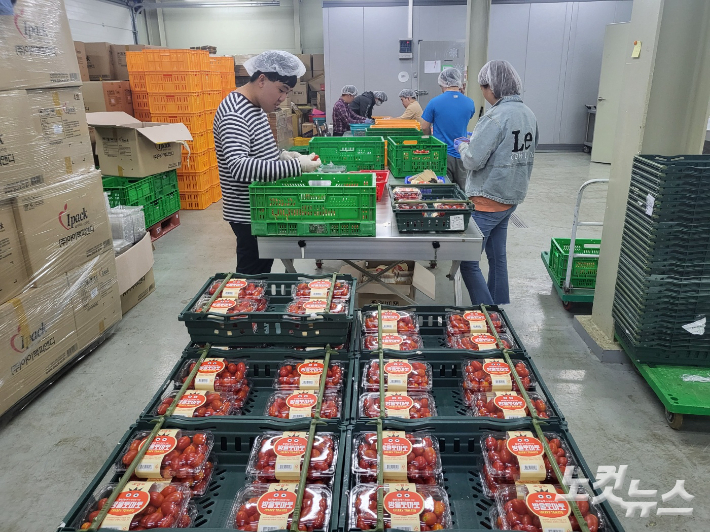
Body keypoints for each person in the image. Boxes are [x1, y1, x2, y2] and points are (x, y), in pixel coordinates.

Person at [214, 50, 322, 274]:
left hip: (261, 206)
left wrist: (281, 156)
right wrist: (296, 166)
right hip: (248, 213)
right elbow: (239, 166)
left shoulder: (257, 108)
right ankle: (244, 309)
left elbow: (257, 152)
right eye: (281, 90)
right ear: (262, 79)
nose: (283, 98)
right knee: (252, 274)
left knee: (263, 269)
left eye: (288, 92)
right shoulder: (235, 112)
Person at [456, 60, 538, 305]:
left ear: (491, 87)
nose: (483, 93)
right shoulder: (528, 114)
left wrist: (462, 145)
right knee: (497, 257)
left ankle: (486, 316)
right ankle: (499, 307)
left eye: (483, 88)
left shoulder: (494, 117)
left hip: (487, 200)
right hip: (511, 196)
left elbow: (472, 160)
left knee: (468, 263)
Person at [419, 68, 475, 190]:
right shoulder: (470, 103)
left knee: (443, 189)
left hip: (442, 154)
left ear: (442, 83)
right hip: (462, 153)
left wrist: (428, 138)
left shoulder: (434, 102)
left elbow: (424, 126)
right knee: (464, 191)